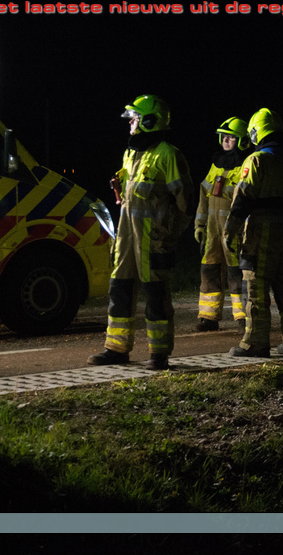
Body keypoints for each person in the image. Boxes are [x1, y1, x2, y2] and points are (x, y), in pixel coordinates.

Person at [88, 95, 192, 370]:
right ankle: (116, 348)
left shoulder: (169, 154)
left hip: (153, 240)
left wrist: (170, 235)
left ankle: (159, 353)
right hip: (127, 238)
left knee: (156, 294)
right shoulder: (132, 152)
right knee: (119, 289)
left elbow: (186, 202)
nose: (130, 124)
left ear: (149, 121)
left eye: (134, 119)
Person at [223, 108, 283, 358]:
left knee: (256, 291)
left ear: (257, 133)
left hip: (261, 235)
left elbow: (243, 201)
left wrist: (229, 232)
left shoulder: (256, 160)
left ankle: (256, 344)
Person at [194, 117, 250, 332]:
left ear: (242, 141)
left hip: (233, 232)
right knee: (209, 271)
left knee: (237, 273)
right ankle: (208, 317)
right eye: (224, 137)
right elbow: (203, 198)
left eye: (231, 138)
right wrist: (199, 226)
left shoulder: (245, 165)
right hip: (212, 232)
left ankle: (243, 316)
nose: (226, 141)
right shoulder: (215, 164)